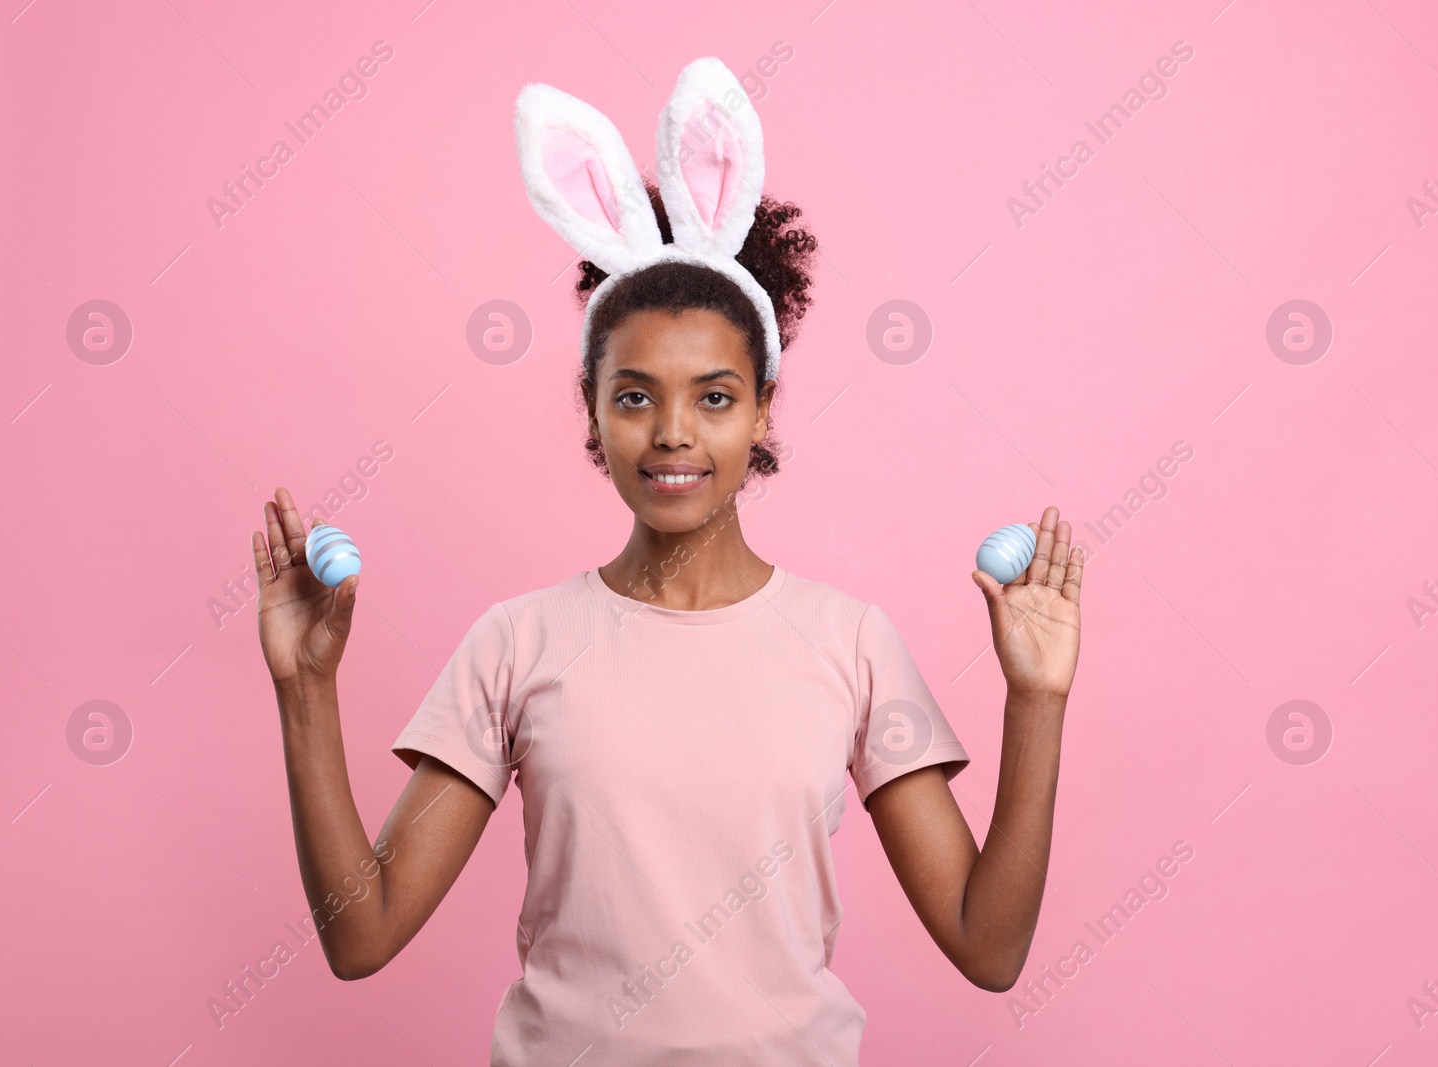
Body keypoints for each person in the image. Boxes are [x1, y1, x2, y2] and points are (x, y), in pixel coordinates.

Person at [252, 58, 1082, 1066]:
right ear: (594, 410)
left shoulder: (849, 642)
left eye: (716, 395)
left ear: (764, 407)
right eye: (635, 394)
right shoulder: (517, 642)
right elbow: (362, 929)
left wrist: (1034, 701)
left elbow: (987, 945)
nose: (673, 432)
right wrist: (306, 688)